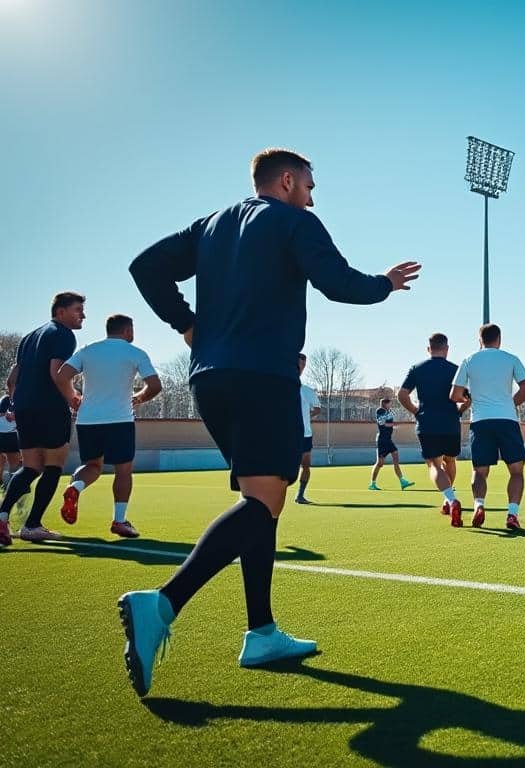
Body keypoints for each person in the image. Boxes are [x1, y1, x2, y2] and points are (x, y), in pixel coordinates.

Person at [118, 147, 421, 696]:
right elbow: (339, 283)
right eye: (309, 185)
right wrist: (385, 283)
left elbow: (144, 267)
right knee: (263, 504)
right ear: (286, 181)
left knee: (264, 501)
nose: (312, 195)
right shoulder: (293, 220)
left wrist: (187, 325)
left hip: (210, 377)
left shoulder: (211, 224)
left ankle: (260, 631)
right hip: (263, 376)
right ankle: (161, 603)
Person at [55, 313, 161, 538]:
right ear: (127, 330)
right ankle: (119, 521)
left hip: (88, 420)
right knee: (123, 470)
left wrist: (73, 397)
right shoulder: (136, 353)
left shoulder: (88, 349)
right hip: (119, 419)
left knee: (92, 465)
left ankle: (75, 488)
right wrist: (139, 397)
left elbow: (62, 375)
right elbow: (154, 385)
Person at [0, 291, 85, 546]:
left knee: (30, 467)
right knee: (53, 466)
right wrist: (73, 398)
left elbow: (11, 380)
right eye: (77, 310)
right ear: (61, 312)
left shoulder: (29, 337)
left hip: (25, 408)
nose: (83, 315)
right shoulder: (63, 334)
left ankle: (2, 516)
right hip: (49, 408)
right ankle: (32, 525)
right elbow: (57, 372)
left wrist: (18, 403)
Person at [451, 323, 525, 530]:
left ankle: (479, 505)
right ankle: (512, 514)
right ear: (499, 338)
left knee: (480, 471)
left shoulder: (469, 360)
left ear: (480, 340)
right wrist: (511, 403)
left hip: (481, 421)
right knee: (516, 471)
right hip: (507, 420)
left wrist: (470, 398)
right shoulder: (511, 358)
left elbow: (454, 395)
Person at [399, 333, 467, 522]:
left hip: (427, 424)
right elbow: (468, 397)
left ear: (429, 349)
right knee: (450, 461)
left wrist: (415, 411)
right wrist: (460, 410)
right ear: (447, 348)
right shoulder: (456, 369)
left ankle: (451, 500)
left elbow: (402, 394)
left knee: (434, 465)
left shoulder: (417, 368)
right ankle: (448, 499)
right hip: (451, 424)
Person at [294, 353, 322, 504]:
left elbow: (317, 409)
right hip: (286, 434)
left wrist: (306, 417)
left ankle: (300, 495)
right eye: (298, 364)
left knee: (306, 465)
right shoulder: (281, 387)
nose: (300, 367)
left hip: (305, 434)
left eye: (303, 365)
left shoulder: (307, 391)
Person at [369, 398, 412, 491]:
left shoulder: (389, 411)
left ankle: (402, 481)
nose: (390, 405)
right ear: (384, 404)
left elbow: (390, 423)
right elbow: (382, 423)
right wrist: (393, 424)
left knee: (396, 456)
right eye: (389, 403)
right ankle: (372, 484)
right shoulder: (380, 411)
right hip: (382, 441)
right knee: (380, 463)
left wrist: (395, 425)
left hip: (389, 440)